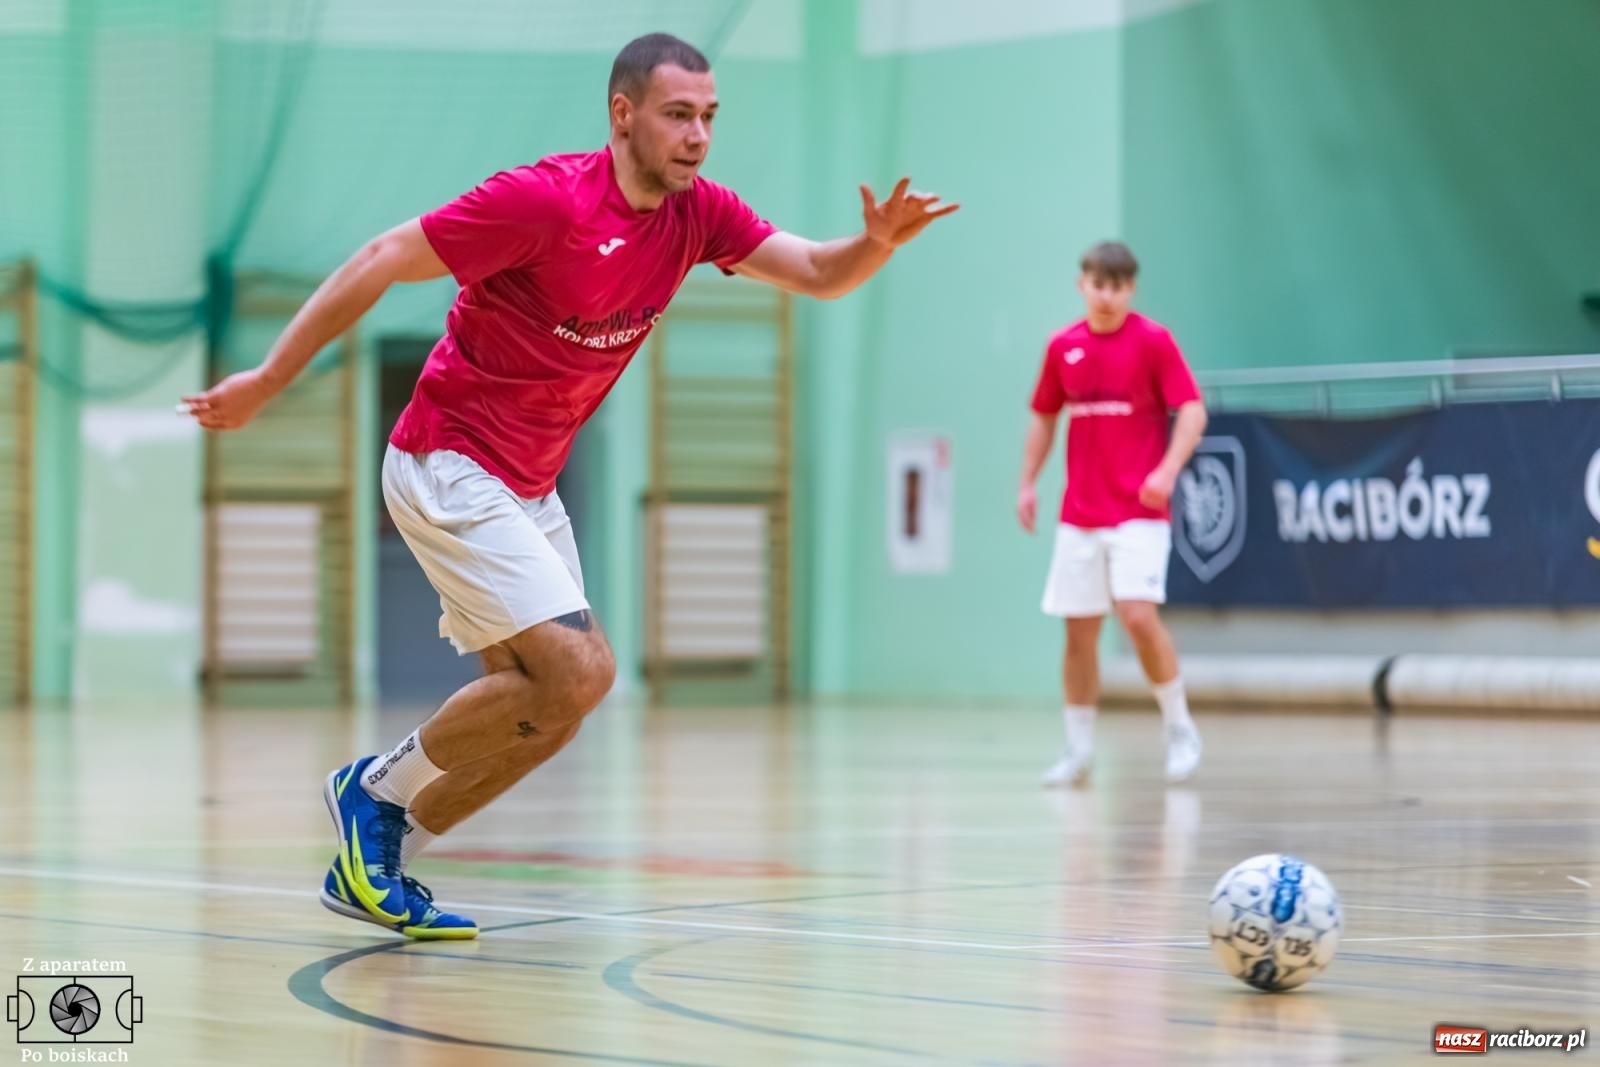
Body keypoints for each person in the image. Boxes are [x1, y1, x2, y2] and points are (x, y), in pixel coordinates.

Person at [182, 32, 957, 939]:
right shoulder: (545, 201)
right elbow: (384, 255)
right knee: (585, 669)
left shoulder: (698, 214)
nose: (698, 136)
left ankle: (379, 855)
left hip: (526, 485)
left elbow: (820, 271)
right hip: (449, 459)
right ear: (623, 114)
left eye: (709, 117)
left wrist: (875, 244)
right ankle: (372, 790)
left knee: (556, 711)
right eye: (678, 115)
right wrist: (268, 379)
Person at [1017, 240, 1206, 788]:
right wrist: (1027, 483)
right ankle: (1078, 749)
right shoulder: (1063, 347)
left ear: (1131, 289)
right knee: (1079, 633)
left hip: (1138, 511)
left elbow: (1192, 410)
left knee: (1138, 616)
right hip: (1080, 513)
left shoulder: (1153, 342)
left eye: (1117, 286)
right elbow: (1044, 416)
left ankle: (1180, 728)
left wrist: (1168, 470)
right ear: (1082, 285)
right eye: (1098, 285)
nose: (1106, 296)